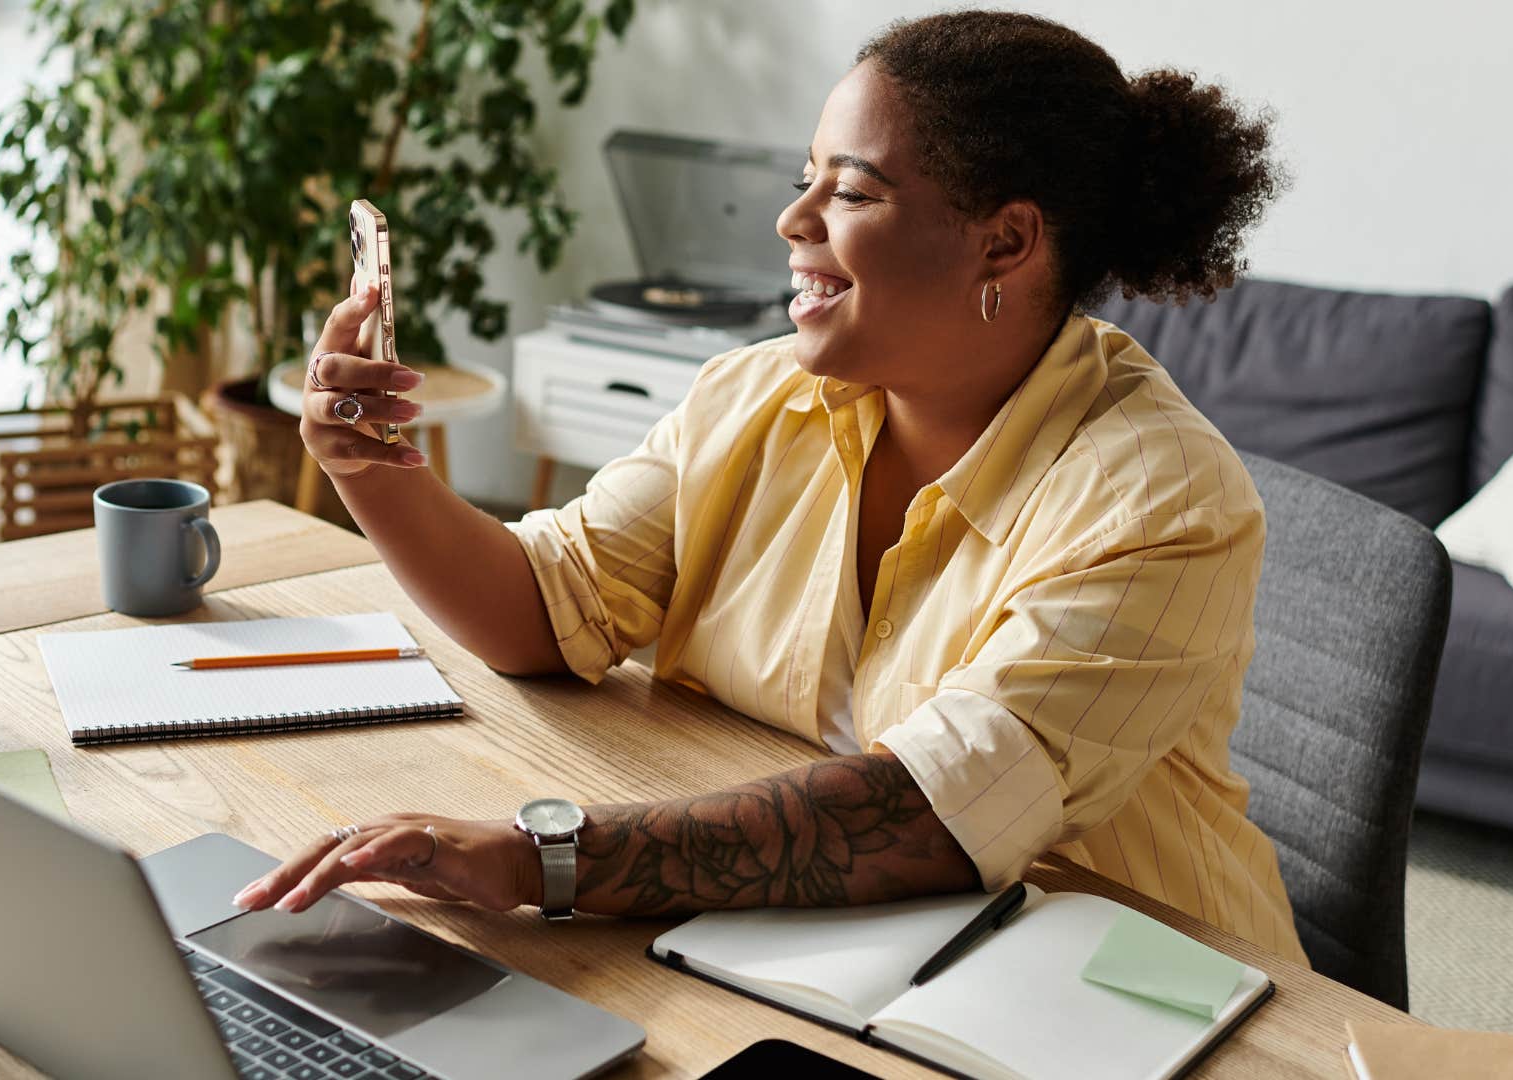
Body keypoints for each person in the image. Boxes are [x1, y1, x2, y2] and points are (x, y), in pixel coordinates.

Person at [234, 9, 1305, 962]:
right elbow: (546, 610)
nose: (794, 223)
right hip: (832, 940)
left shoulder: (1161, 497)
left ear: (1006, 241)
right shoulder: (755, 396)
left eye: (852, 192)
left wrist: (539, 861)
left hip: (1130, 980)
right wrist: (367, 469)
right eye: (807, 178)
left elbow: (939, 811)